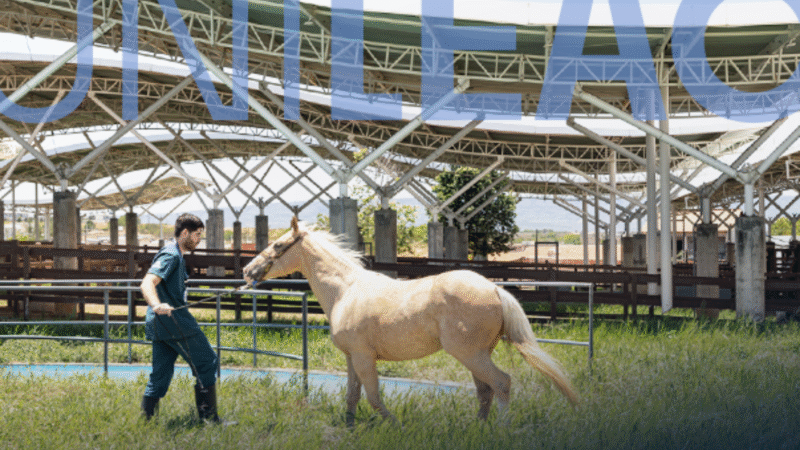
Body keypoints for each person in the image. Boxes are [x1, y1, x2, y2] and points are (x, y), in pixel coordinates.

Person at [139, 213, 226, 423]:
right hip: (173, 321)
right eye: (197, 235)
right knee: (206, 361)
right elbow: (147, 282)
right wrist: (156, 304)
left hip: (160, 324)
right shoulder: (171, 255)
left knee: (160, 373)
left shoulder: (174, 253)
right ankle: (209, 420)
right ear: (184, 232)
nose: (199, 239)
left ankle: (146, 422)